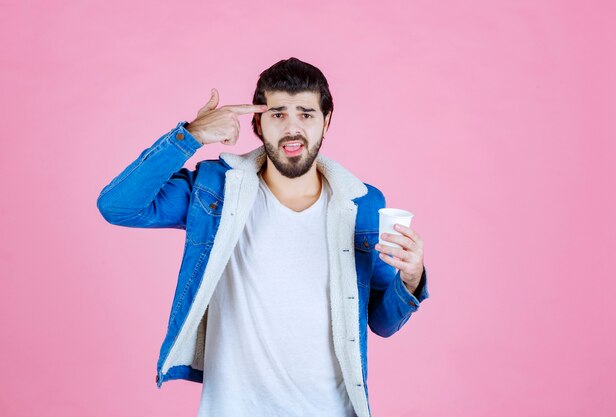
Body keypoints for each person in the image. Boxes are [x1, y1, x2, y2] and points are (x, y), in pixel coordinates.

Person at [96, 57, 429, 417]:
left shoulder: (362, 203)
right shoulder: (216, 191)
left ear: (326, 121)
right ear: (257, 122)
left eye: (306, 114)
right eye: (277, 114)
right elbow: (119, 207)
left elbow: (381, 322)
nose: (292, 128)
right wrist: (190, 136)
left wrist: (410, 280)